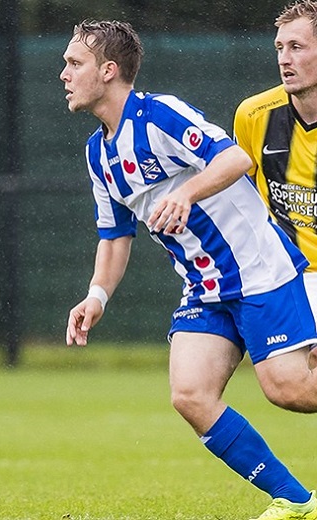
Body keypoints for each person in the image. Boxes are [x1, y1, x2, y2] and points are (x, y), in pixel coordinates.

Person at [60, 20, 317, 520]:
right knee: (190, 394)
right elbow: (115, 236)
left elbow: (236, 159)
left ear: (108, 71)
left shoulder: (159, 115)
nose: (64, 74)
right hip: (205, 287)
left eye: (74, 63)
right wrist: (96, 295)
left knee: (289, 390)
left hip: (261, 272)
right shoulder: (98, 154)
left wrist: (186, 192)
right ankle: (297, 500)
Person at [234, 0, 317, 336]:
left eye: (296, 47)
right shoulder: (253, 115)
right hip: (281, 277)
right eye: (279, 48)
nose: (284, 58)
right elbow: (239, 202)